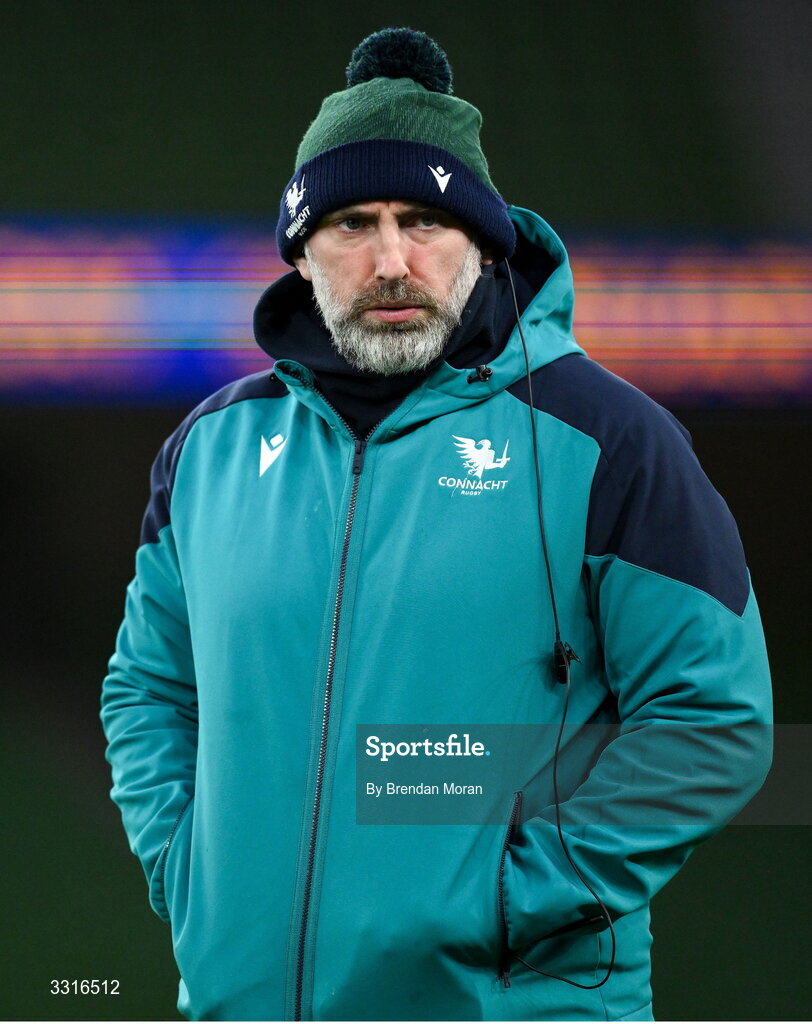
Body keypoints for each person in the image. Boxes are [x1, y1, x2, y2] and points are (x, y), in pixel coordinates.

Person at [101, 28, 773, 1023]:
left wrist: (511, 899)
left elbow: (712, 721)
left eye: (423, 219)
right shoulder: (209, 450)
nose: (390, 260)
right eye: (351, 224)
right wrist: (186, 870)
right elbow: (146, 688)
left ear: (484, 243)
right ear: (300, 253)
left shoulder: (609, 441)